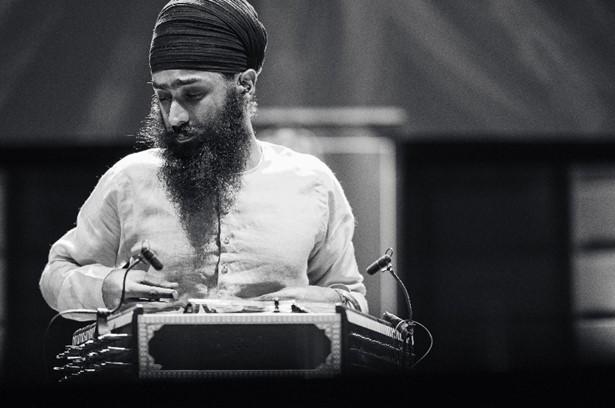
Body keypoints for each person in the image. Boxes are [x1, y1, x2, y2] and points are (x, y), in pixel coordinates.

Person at [39, 0, 367, 320]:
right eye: (164, 97)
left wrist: (323, 300)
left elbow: (352, 299)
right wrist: (108, 286)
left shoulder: (311, 183)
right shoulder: (130, 180)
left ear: (245, 84)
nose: (175, 117)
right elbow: (57, 274)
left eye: (193, 95)